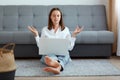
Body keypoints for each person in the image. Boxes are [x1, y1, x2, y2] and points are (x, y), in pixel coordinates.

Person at [28, 8, 83, 74]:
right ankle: (58, 66)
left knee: (66, 55)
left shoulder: (65, 29)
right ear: (50, 17)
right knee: (47, 56)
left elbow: (69, 48)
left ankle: (54, 63)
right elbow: (41, 47)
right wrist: (36, 35)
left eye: (58, 15)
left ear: (60, 17)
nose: (56, 18)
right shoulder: (45, 30)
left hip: (62, 54)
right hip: (50, 53)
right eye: (54, 15)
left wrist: (74, 35)